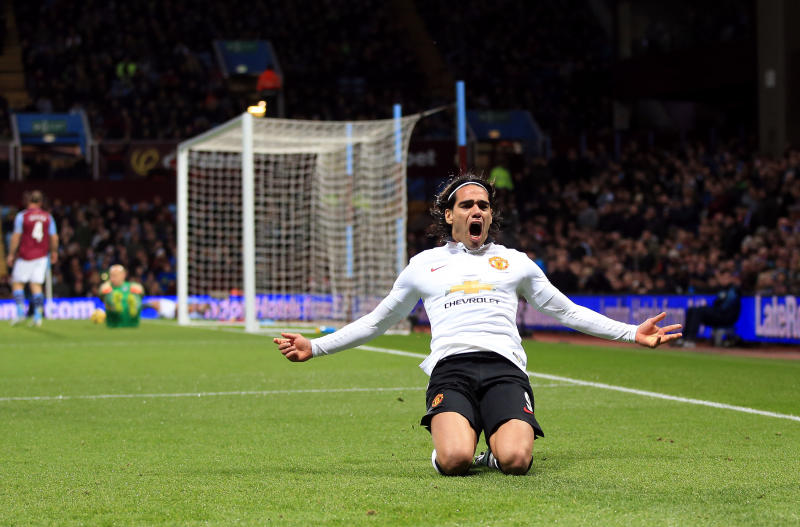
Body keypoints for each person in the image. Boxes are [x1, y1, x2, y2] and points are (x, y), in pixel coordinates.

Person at [274, 173, 682, 476]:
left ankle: (492, 448)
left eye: (484, 206)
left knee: (516, 461)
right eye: (468, 205)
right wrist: (317, 346)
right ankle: (458, 444)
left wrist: (631, 332)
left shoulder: (516, 262)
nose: (477, 211)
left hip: (505, 370)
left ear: (490, 217)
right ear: (449, 214)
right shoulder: (423, 265)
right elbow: (378, 321)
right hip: (451, 371)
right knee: (455, 460)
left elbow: (567, 311)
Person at [6, 191, 58, 326]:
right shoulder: (48, 217)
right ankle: (38, 316)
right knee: (36, 285)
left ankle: (20, 313)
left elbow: (16, 236)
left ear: (28, 201)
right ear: (41, 202)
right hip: (42, 256)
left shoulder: (22, 216)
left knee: (17, 283)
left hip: (25, 255)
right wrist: (54, 252)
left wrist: (11, 254)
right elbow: (54, 237)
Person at [678, 269, 741, 348]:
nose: (724, 280)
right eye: (722, 278)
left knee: (699, 311)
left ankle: (691, 340)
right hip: (718, 313)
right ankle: (684, 338)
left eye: (726, 278)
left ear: (731, 279)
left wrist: (713, 308)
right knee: (692, 310)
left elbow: (724, 307)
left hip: (726, 316)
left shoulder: (733, 290)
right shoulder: (721, 289)